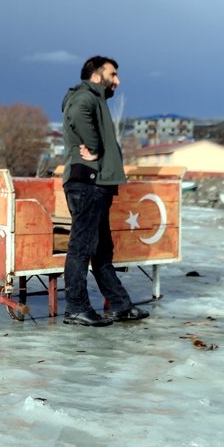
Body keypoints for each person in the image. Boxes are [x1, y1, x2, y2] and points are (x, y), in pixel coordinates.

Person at [59, 55, 150, 327]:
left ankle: (121, 305)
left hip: (96, 184)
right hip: (86, 182)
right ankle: (76, 307)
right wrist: (94, 146)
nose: (117, 81)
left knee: (101, 250)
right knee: (81, 248)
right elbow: (76, 113)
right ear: (97, 76)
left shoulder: (95, 99)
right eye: (113, 75)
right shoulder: (85, 96)